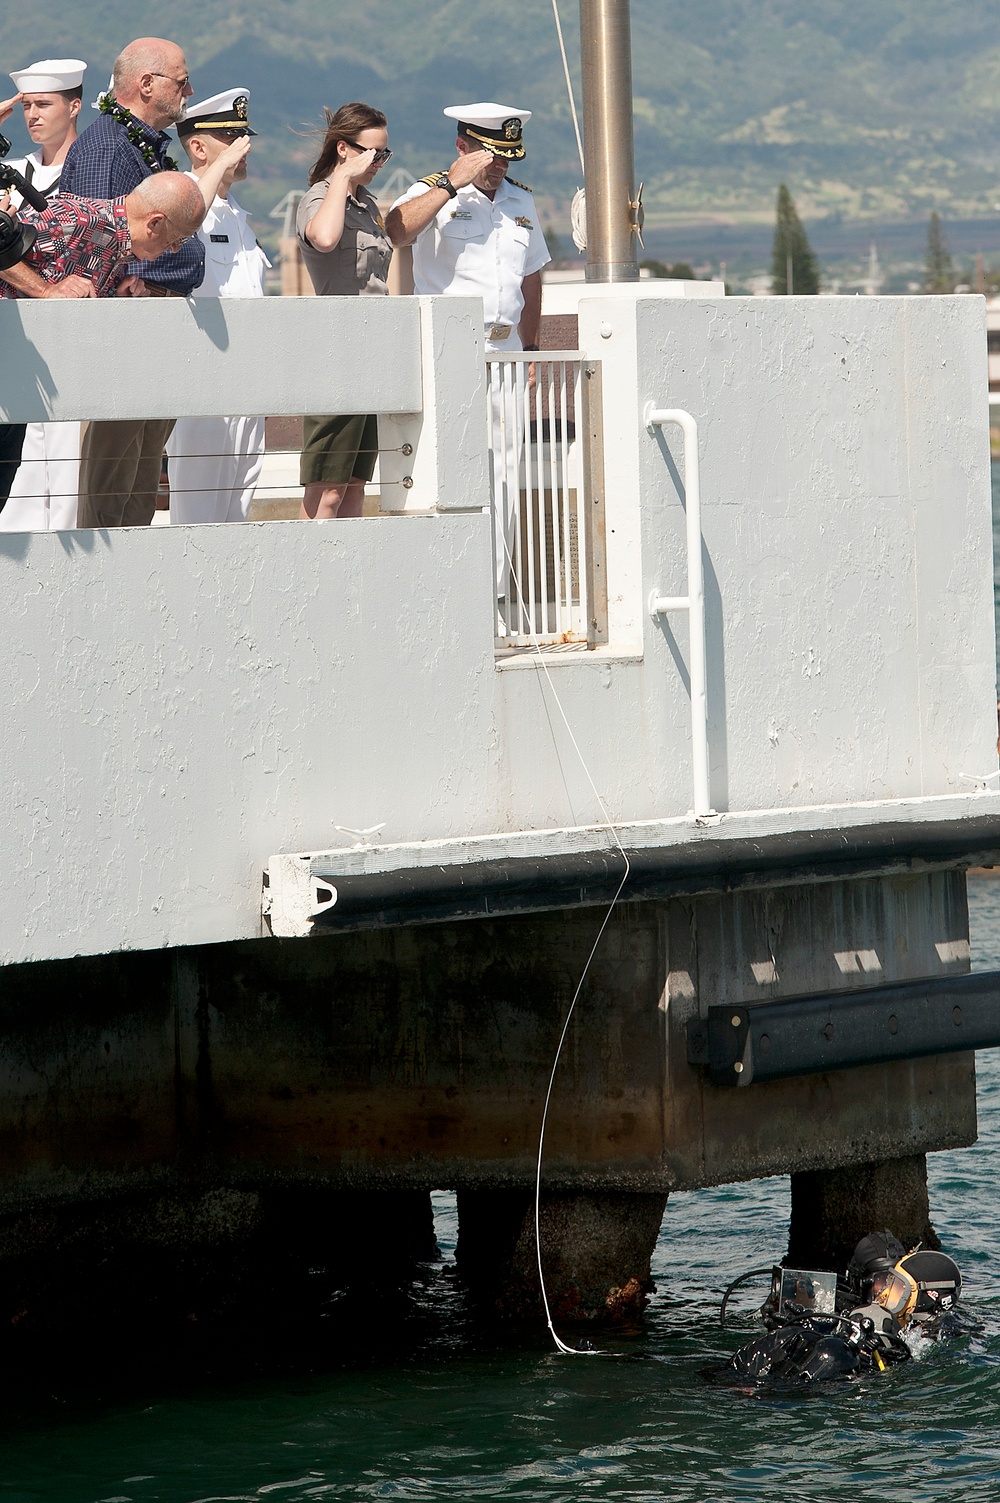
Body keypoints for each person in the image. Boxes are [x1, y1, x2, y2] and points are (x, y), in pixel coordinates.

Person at [386, 104, 550, 608]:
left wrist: (532, 350)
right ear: (463, 147)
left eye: (508, 157)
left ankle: (493, 599)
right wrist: (451, 185)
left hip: (506, 353)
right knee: (448, 472)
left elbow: (532, 276)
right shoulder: (430, 192)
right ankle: (447, 597)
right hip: (452, 352)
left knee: (505, 475)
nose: (500, 166)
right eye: (491, 155)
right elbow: (396, 231)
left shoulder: (521, 203)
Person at [60, 38, 204, 528]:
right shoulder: (108, 148)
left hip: (148, 330)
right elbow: (101, 245)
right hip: (125, 335)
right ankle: (102, 592)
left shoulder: (138, 145)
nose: (190, 89)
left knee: (139, 484)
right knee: (114, 487)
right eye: (182, 81)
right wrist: (156, 269)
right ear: (147, 84)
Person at [164, 88, 268, 524]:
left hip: (247, 383)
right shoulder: (182, 204)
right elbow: (180, 228)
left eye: (244, 136)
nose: (243, 148)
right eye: (231, 138)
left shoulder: (237, 216)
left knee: (236, 514)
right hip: (203, 384)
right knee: (198, 517)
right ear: (198, 147)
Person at [0, 57, 87, 531]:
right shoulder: (11, 171)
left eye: (44, 104)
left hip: (71, 343)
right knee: (21, 494)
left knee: (72, 485)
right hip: (16, 343)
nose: (33, 115)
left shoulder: (88, 170)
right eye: (27, 105)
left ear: (74, 106)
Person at [295, 102, 392, 520]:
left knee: (355, 486)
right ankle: (308, 576)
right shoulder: (319, 198)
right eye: (371, 152)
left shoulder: (367, 206)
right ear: (343, 149)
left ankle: (345, 578)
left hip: (372, 351)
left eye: (384, 154)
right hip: (336, 352)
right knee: (327, 487)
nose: (378, 162)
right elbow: (325, 238)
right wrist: (341, 180)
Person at [0, 173, 207, 301]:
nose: (175, 249)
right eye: (177, 238)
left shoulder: (122, 249)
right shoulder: (75, 219)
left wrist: (114, 299)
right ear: (154, 223)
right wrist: (44, 291)